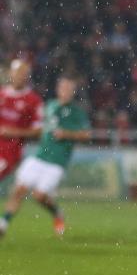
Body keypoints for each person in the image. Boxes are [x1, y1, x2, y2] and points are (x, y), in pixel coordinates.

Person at [0, 75, 90, 237]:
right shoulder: (49, 106)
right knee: (19, 189)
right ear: (58, 89)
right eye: (63, 88)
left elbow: (86, 135)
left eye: (69, 89)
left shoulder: (77, 112)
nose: (65, 92)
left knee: (39, 196)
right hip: (40, 156)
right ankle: (4, 223)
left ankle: (57, 212)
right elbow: (39, 128)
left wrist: (67, 134)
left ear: (73, 92)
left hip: (57, 161)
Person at [0, 59, 43, 181]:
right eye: (18, 72)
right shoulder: (1, 94)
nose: (20, 76)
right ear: (10, 73)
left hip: (9, 153)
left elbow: (38, 131)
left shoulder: (33, 100)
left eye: (24, 73)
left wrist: (13, 132)